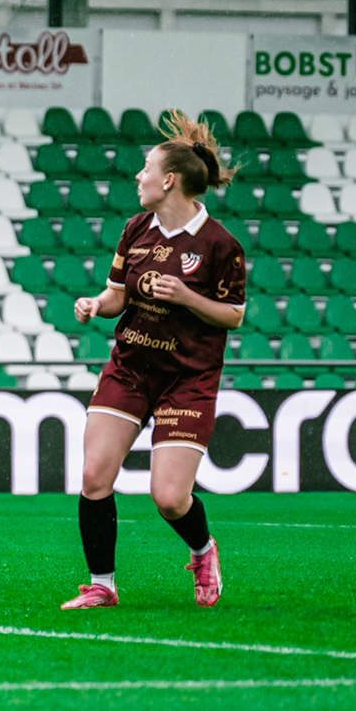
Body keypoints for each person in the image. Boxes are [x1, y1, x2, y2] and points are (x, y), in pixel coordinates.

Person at [61, 111, 246, 610]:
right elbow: (118, 294)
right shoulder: (136, 228)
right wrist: (97, 305)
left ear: (169, 180)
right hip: (130, 367)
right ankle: (103, 584)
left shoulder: (221, 245)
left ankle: (203, 550)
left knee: (168, 497)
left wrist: (187, 297)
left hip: (187, 379)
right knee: (95, 476)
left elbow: (233, 316)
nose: (137, 176)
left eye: (146, 168)